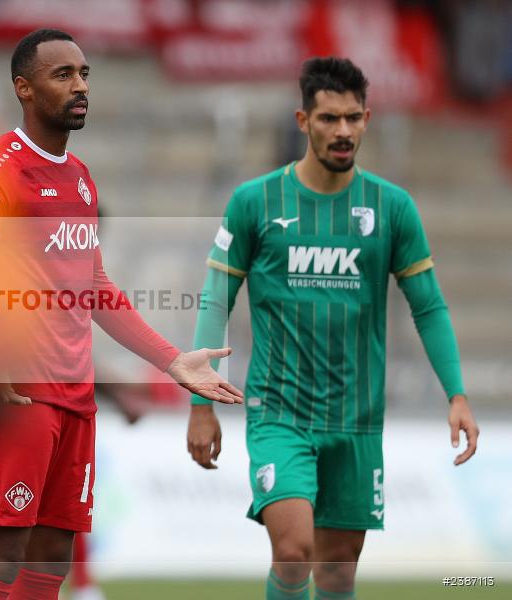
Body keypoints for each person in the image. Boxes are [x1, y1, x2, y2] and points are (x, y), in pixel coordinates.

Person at [0, 28, 243, 600]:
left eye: (85, 74)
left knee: (53, 554)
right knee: (2, 551)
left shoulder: (82, 179)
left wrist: (171, 361)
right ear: (24, 89)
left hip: (75, 395)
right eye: (62, 75)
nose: (80, 86)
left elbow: (95, 288)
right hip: (20, 394)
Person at [188, 57, 480, 600]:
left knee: (339, 569)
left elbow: (430, 307)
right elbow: (215, 299)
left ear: (367, 118)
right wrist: (201, 405)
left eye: (353, 118)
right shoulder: (255, 203)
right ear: (303, 121)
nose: (342, 131)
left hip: (357, 418)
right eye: (328, 119)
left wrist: (456, 393)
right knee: (294, 550)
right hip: (280, 412)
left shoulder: (392, 209)